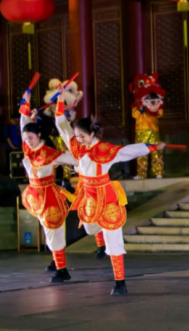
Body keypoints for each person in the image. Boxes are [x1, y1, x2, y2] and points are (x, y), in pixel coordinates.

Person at [54, 86, 166, 296]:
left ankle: (120, 282)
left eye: (82, 136)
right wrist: (60, 101)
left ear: (92, 133)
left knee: (113, 236)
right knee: (90, 229)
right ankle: (100, 235)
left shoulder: (105, 150)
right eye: (77, 136)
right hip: (88, 196)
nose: (78, 139)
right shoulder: (77, 146)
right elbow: (62, 126)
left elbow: (127, 151)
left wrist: (151, 147)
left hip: (106, 196)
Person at [18, 92, 76, 283]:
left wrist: (84, 157)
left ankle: (62, 270)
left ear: (39, 135)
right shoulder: (28, 149)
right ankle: (56, 261)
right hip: (35, 194)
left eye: (31, 137)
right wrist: (26, 102)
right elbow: (24, 123)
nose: (28, 141)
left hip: (48, 195)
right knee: (47, 230)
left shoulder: (49, 153)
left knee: (54, 230)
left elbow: (71, 158)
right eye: (26, 138)